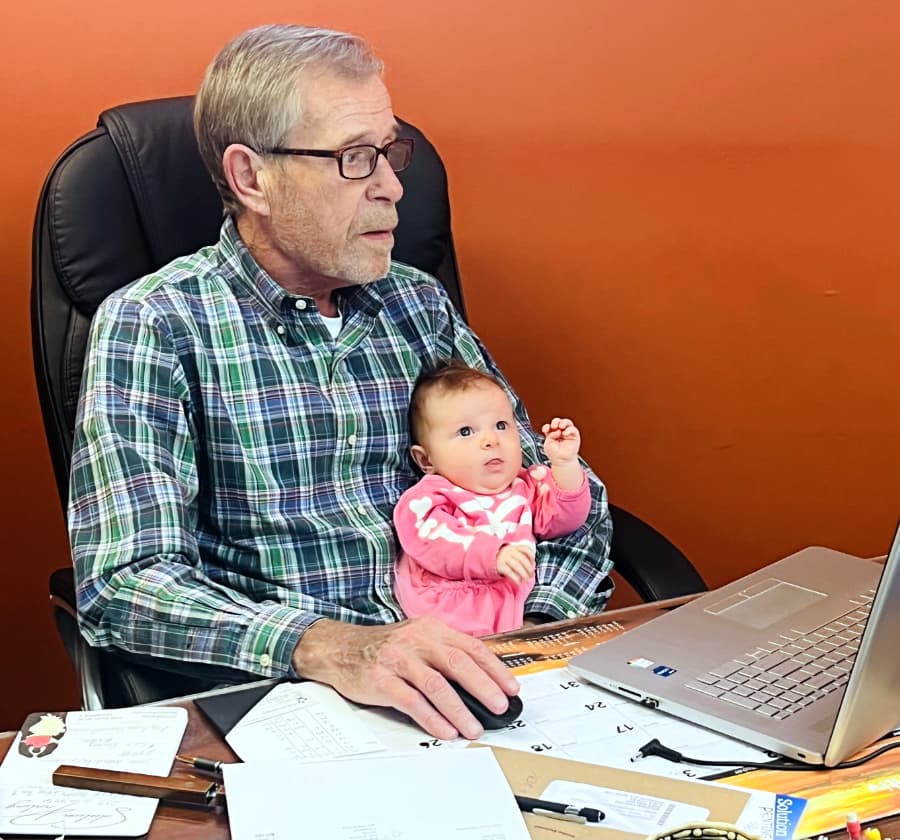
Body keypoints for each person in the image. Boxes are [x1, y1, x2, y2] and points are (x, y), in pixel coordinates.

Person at [68, 23, 614, 742]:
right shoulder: (155, 324)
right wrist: (330, 646)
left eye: (389, 153)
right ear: (250, 177)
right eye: (356, 159)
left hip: (490, 687)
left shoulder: (414, 304)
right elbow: (127, 583)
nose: (393, 187)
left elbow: (558, 496)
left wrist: (530, 630)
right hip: (300, 707)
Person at [394, 362, 591, 636]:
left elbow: (566, 520)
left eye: (501, 425)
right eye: (466, 432)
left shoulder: (527, 485)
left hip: (510, 609)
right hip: (447, 609)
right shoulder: (428, 497)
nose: (490, 440)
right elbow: (432, 543)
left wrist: (565, 465)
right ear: (426, 459)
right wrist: (492, 554)